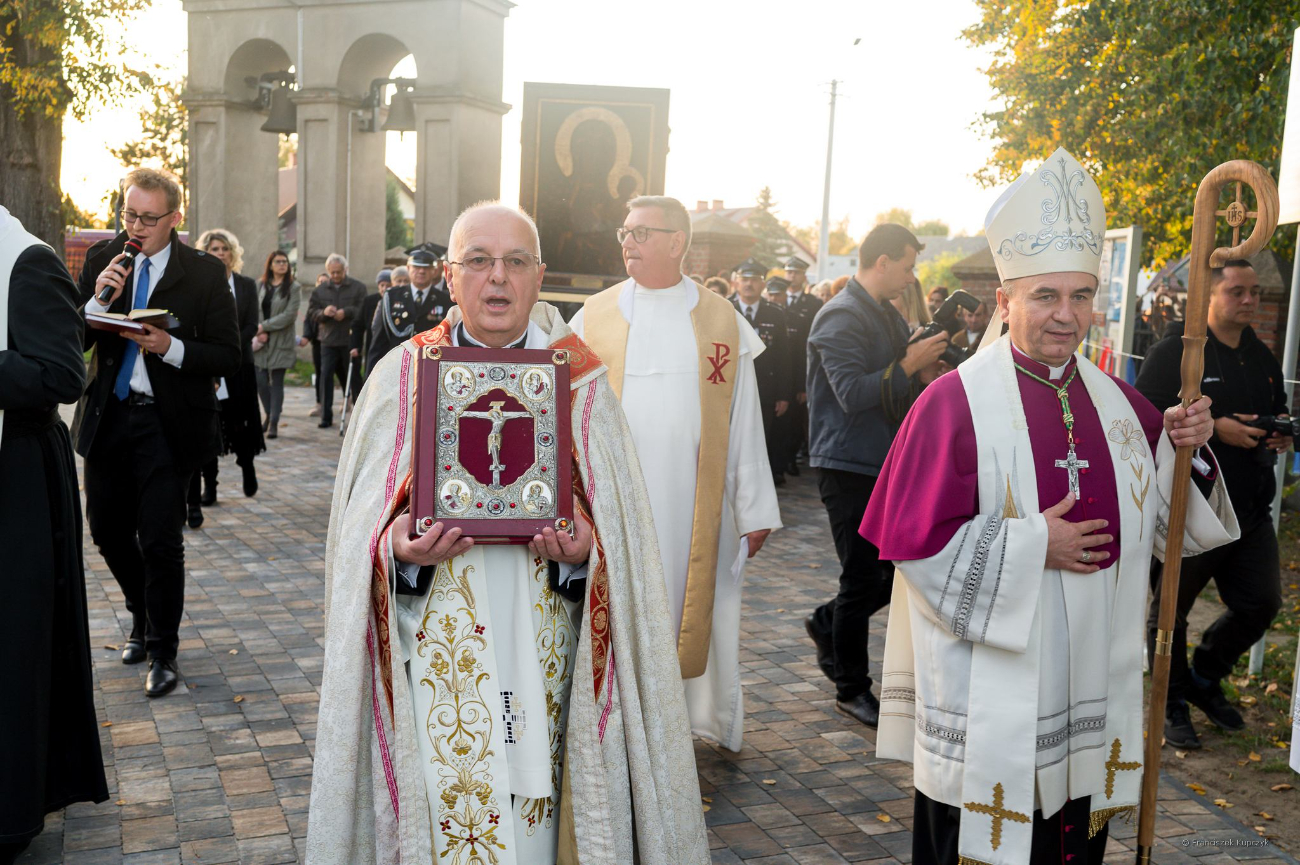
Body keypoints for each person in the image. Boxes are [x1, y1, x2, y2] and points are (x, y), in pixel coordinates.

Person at [859, 148, 1237, 865]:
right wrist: (1036, 547)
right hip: (991, 702)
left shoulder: (1123, 406)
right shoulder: (952, 402)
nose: (1067, 316)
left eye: (1081, 295)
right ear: (1005, 300)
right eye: (1045, 296)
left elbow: (1169, 531)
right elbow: (913, 546)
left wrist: (1187, 447)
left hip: (1089, 691)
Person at [306, 202, 708, 864]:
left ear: (539, 274)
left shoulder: (582, 382)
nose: (498, 280)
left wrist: (587, 553)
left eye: (516, 262)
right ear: (452, 275)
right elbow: (357, 542)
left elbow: (623, 544)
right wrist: (397, 552)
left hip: (550, 654)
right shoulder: (401, 377)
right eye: (479, 262)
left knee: (540, 830)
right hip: (436, 651)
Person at [570, 195, 781, 752]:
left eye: (641, 233)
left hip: (693, 502)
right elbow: (564, 414)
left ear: (676, 242)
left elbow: (743, 418)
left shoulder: (719, 320)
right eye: (625, 231)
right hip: (612, 501)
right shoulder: (594, 316)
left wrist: (754, 507)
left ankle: (683, 724)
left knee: (685, 607)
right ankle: (612, 724)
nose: (627, 242)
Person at [76, 166, 241, 698]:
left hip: (170, 424)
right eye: (129, 215)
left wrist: (169, 348)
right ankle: (139, 614)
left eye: (149, 218)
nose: (137, 227)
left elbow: (228, 354)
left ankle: (163, 652)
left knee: (162, 540)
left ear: (175, 218)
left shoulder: (204, 274)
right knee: (104, 529)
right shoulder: (105, 259)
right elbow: (73, 337)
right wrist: (99, 302)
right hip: (110, 415)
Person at [1136, 258, 1287, 749]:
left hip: (1249, 508)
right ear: (1209, 296)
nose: (1249, 301)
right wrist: (1215, 426)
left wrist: (1276, 433)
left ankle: (1204, 676)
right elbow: (1142, 419)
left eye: (1255, 293)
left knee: (1262, 603)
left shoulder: (1261, 357)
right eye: (1237, 291)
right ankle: (1171, 700)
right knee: (1169, 614)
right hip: (1191, 506)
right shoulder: (1174, 352)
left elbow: (1278, 410)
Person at [803, 225, 948, 727]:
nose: (912, 276)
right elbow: (852, 394)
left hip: (880, 460)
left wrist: (922, 371)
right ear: (881, 262)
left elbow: (893, 386)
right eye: (907, 266)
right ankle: (852, 688)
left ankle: (828, 623)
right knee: (863, 576)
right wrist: (909, 362)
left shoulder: (884, 313)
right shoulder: (841, 316)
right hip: (845, 462)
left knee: (891, 574)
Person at [0, 206, 108, 864]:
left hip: (15, 483)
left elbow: (63, 374)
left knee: (11, 644)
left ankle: (8, 809)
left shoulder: (28, 261)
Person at [187, 229, 265, 527]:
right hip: (210, 366)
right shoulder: (199, 284)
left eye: (224, 249)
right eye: (214, 249)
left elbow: (251, 324)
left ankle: (247, 465)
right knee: (211, 427)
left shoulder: (245, 285)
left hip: (239, 363)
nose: (219, 253)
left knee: (240, 422)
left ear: (233, 253)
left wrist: (230, 344)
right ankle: (210, 486)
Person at [735, 264, 792, 486]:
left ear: (762, 284)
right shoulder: (725, 309)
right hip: (733, 388)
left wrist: (784, 394)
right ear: (736, 282)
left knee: (761, 438)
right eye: (744, 278)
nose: (749, 284)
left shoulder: (774, 314)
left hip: (765, 390)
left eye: (754, 279)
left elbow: (784, 357)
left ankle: (756, 484)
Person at [367, 242, 451, 372]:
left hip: (431, 368)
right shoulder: (392, 297)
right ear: (408, 268)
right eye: (417, 266)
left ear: (434, 270)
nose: (422, 271)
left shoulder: (446, 300)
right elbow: (379, 341)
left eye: (427, 267)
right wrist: (371, 379)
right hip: (397, 367)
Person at [306, 253, 365, 428]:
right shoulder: (320, 290)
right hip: (328, 341)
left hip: (350, 340)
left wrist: (346, 312)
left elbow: (362, 310)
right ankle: (326, 416)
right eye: (332, 273)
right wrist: (324, 313)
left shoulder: (357, 287)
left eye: (339, 272)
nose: (336, 276)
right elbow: (311, 312)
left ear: (345, 270)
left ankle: (360, 416)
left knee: (354, 378)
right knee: (325, 378)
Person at [777, 256, 823, 478]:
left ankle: (791, 457)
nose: (791, 276)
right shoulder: (776, 298)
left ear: (804, 276)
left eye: (795, 272)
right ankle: (780, 460)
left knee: (795, 418)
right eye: (788, 272)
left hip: (800, 365)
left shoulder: (813, 304)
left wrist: (805, 382)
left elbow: (811, 343)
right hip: (781, 367)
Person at [253, 249, 301, 440]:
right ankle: (268, 413)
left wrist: (263, 326)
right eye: (278, 261)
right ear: (270, 265)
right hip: (262, 341)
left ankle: (273, 422)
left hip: (281, 340)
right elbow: (254, 309)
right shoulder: (260, 285)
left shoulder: (293, 287)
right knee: (261, 381)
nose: (282, 265)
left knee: (277, 381)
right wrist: (259, 331)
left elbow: (289, 316)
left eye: (285, 262)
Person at [351, 268, 390, 381]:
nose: (385, 288)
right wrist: (355, 345)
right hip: (373, 346)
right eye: (382, 285)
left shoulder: (398, 300)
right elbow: (358, 324)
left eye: (388, 285)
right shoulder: (369, 301)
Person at [303, 270, 330, 417]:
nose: (322, 285)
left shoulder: (334, 298)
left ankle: (349, 399)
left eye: (325, 282)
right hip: (318, 343)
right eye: (320, 282)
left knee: (341, 372)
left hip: (333, 343)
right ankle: (320, 403)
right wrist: (307, 336)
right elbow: (308, 320)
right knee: (320, 373)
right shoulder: (314, 300)